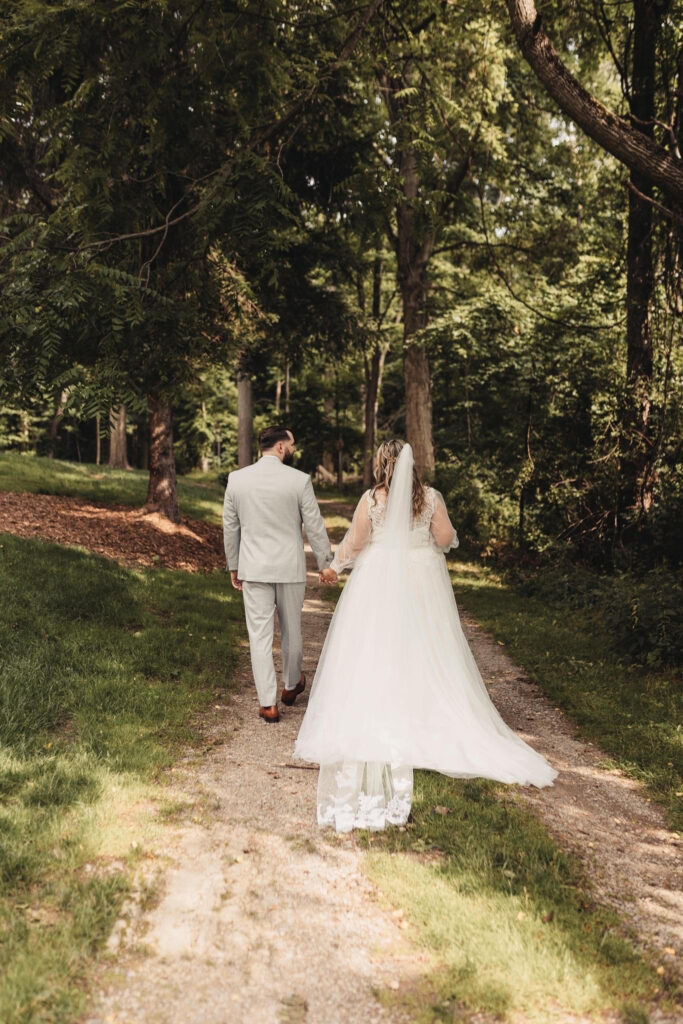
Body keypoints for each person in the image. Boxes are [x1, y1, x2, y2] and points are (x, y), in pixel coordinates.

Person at [294, 439, 557, 831]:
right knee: (425, 648)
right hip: (421, 579)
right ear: (410, 466)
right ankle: (423, 711)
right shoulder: (430, 497)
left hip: (377, 579)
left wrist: (335, 566)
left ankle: (382, 708)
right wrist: (439, 541)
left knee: (376, 649)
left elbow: (356, 541)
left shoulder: (372, 499)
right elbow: (446, 537)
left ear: (381, 465)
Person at [223, 426, 336, 722]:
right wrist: (325, 562)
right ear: (281, 447)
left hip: (254, 567)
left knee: (259, 636)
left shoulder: (237, 479)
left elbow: (230, 527)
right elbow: (314, 523)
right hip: (289, 567)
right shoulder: (299, 481)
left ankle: (268, 704)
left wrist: (234, 565)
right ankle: (289, 686)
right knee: (291, 630)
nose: (295, 449)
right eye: (293, 444)